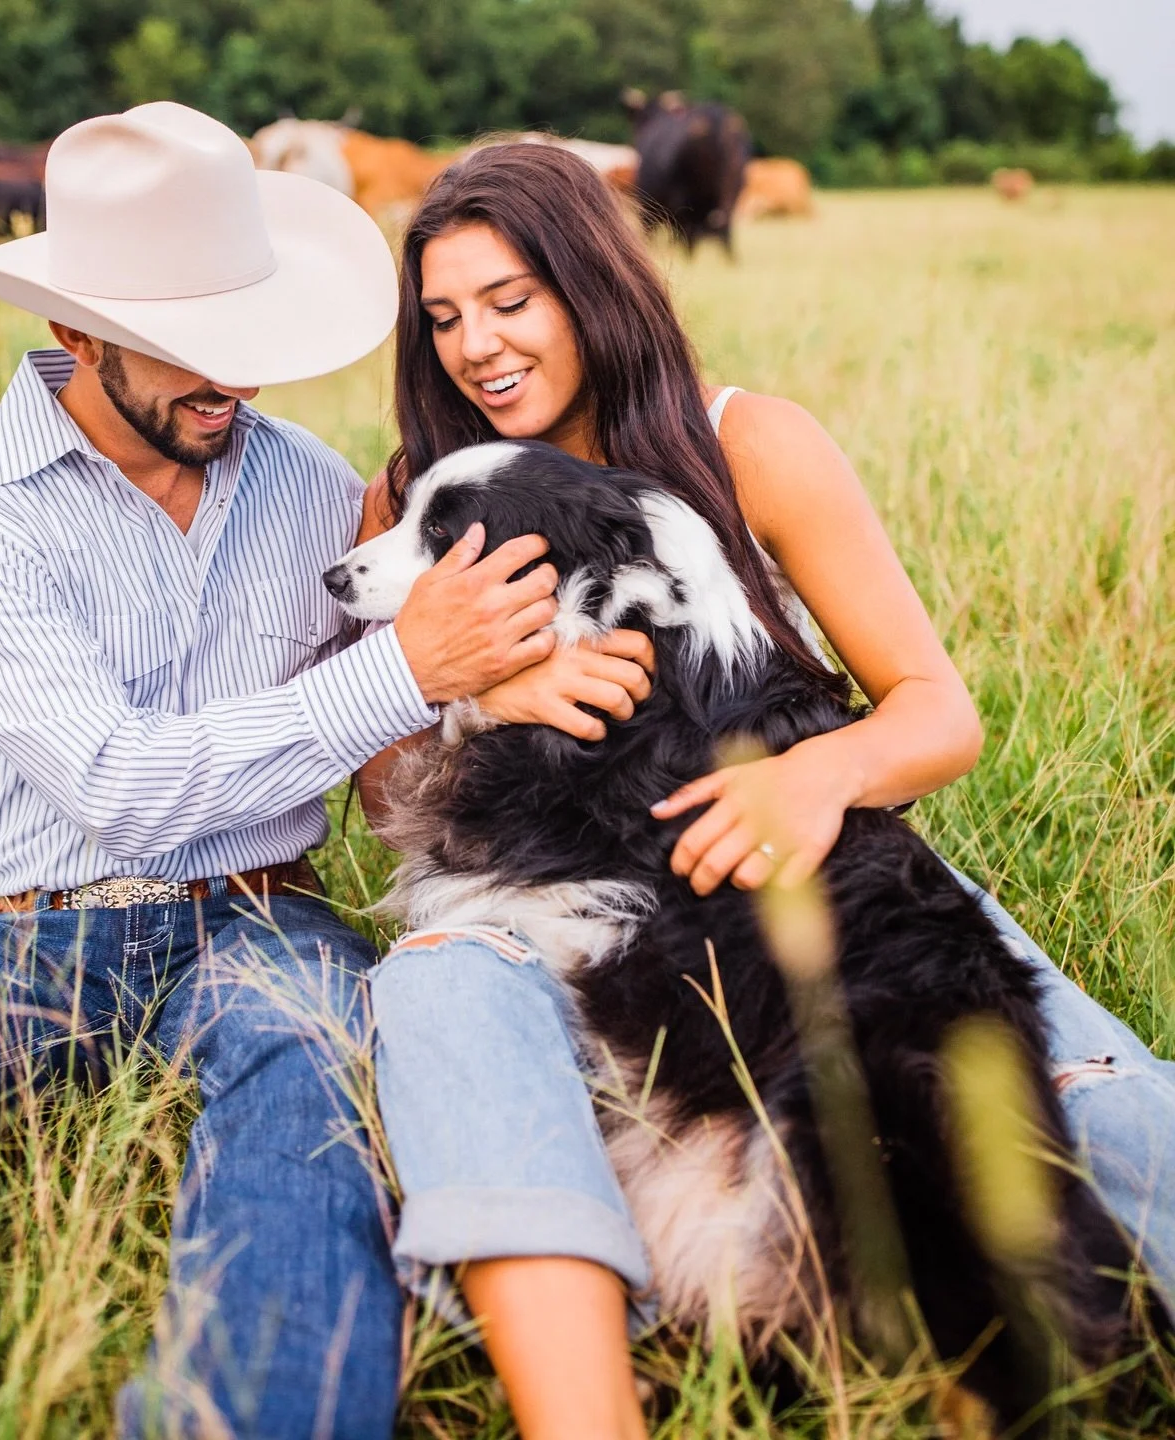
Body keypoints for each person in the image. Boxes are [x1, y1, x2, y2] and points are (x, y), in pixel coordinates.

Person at [0, 107, 654, 1440]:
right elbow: (114, 783)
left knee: (314, 1044)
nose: (233, 378)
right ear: (76, 331)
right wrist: (410, 668)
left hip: (260, 914)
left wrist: (478, 695)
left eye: (247, 336)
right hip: (30, 933)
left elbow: (399, 764)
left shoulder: (318, 490)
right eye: (187, 346)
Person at [359, 143, 1175, 1440]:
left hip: (820, 877)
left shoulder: (749, 444)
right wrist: (469, 698)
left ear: (589, 284)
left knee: (1095, 1111)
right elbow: (380, 782)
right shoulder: (416, 501)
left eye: (510, 300)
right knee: (450, 1008)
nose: (476, 345)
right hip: (575, 915)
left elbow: (936, 707)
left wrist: (822, 773)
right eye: (444, 316)